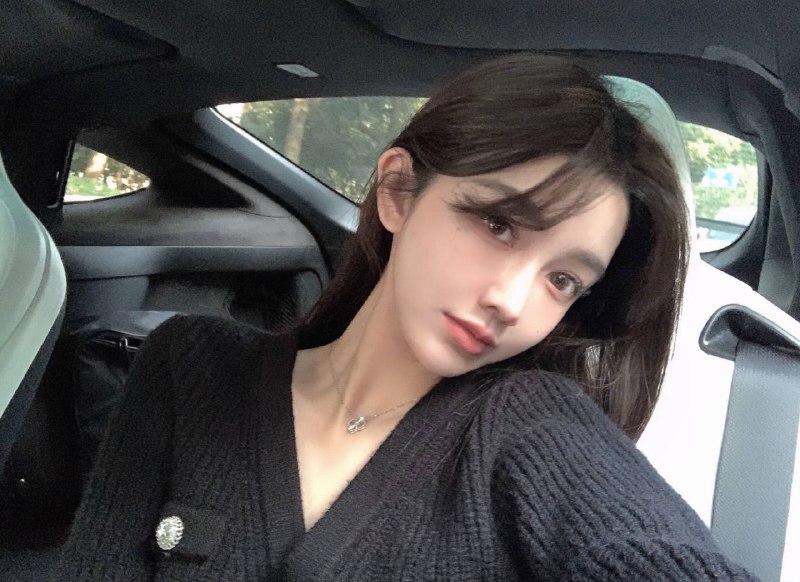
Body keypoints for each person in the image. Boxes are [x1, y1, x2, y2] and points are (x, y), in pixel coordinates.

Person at [53, 54, 758, 580]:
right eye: (499, 224)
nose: (512, 302)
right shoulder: (193, 367)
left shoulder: (529, 423)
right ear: (397, 192)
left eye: (563, 279)